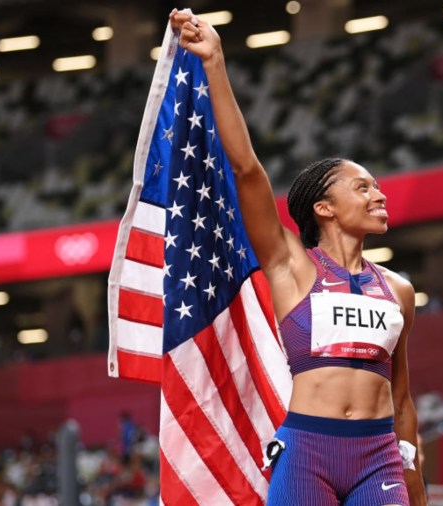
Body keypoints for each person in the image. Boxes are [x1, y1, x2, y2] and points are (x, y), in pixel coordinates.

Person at [169, 10, 427, 506]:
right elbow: (245, 168)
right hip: (308, 451)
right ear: (323, 207)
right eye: (363, 187)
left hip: (380, 458)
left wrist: (416, 482)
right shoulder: (292, 265)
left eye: (377, 186)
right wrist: (215, 63)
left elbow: (402, 399)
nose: (379, 195)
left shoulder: (399, 291)